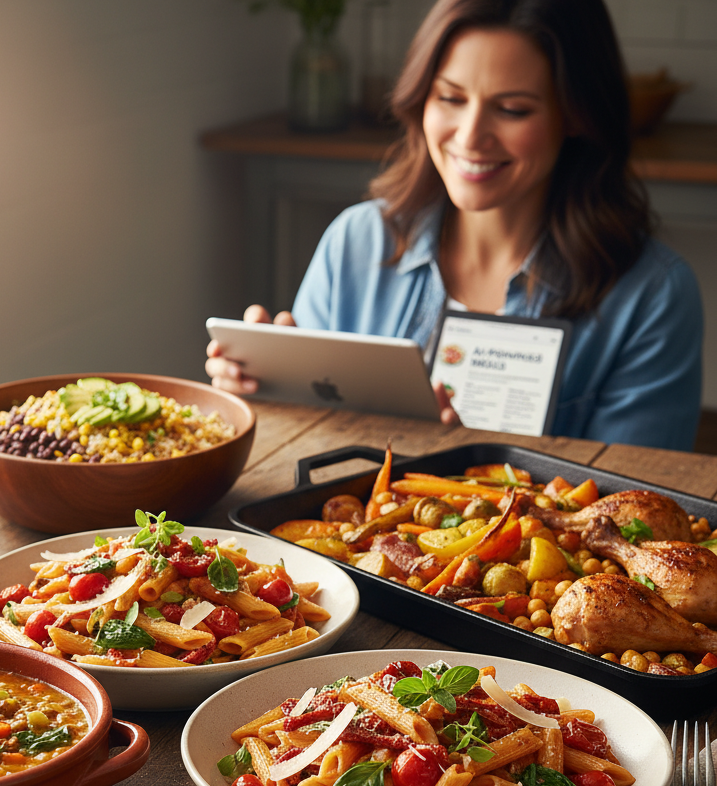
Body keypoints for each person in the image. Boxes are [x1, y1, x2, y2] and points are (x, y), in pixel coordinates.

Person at [206, 0, 704, 451]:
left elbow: (637, 509)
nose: (470, 137)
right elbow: (298, 453)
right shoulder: (355, 242)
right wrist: (259, 399)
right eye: (449, 98)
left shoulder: (652, 294)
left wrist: (460, 463)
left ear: (576, 114)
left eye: (512, 109)